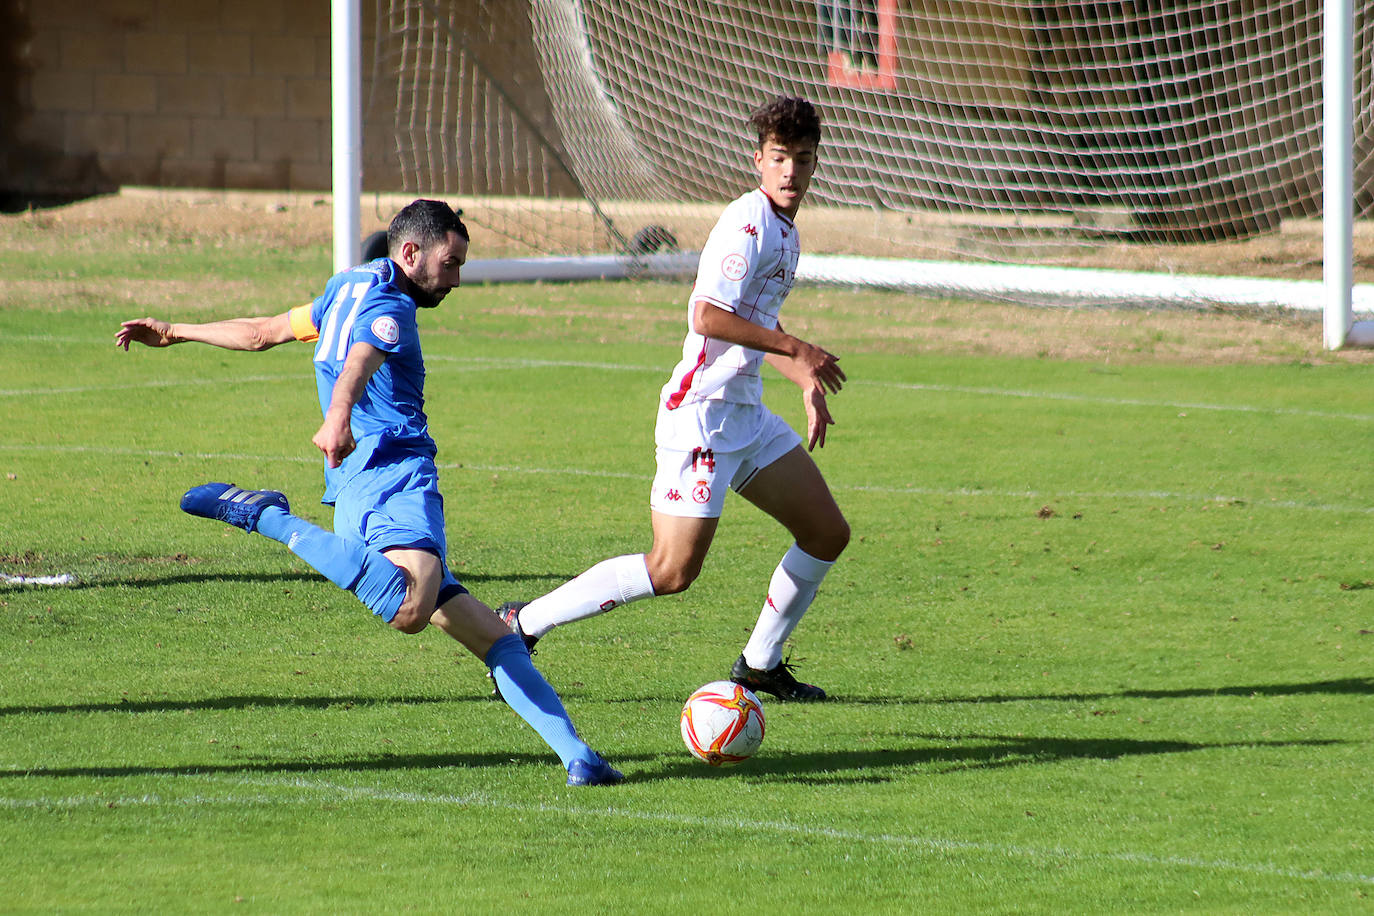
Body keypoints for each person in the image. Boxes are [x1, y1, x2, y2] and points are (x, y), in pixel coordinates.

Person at [115, 199, 622, 786]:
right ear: (410, 253)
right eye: (450, 262)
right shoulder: (394, 308)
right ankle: (271, 518)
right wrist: (338, 417)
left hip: (354, 485)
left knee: (491, 634)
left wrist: (176, 331)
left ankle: (578, 757)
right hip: (396, 474)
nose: (456, 278)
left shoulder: (343, 287)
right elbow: (360, 360)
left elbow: (263, 333)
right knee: (410, 608)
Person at [499, 97, 849, 700]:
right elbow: (708, 317)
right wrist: (798, 347)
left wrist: (803, 377)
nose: (791, 172)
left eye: (802, 159)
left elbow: (750, 327)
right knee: (671, 570)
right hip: (703, 419)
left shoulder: (786, 231)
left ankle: (760, 663)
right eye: (779, 158)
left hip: (746, 415)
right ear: (759, 161)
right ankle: (521, 624)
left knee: (825, 532)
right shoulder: (748, 223)